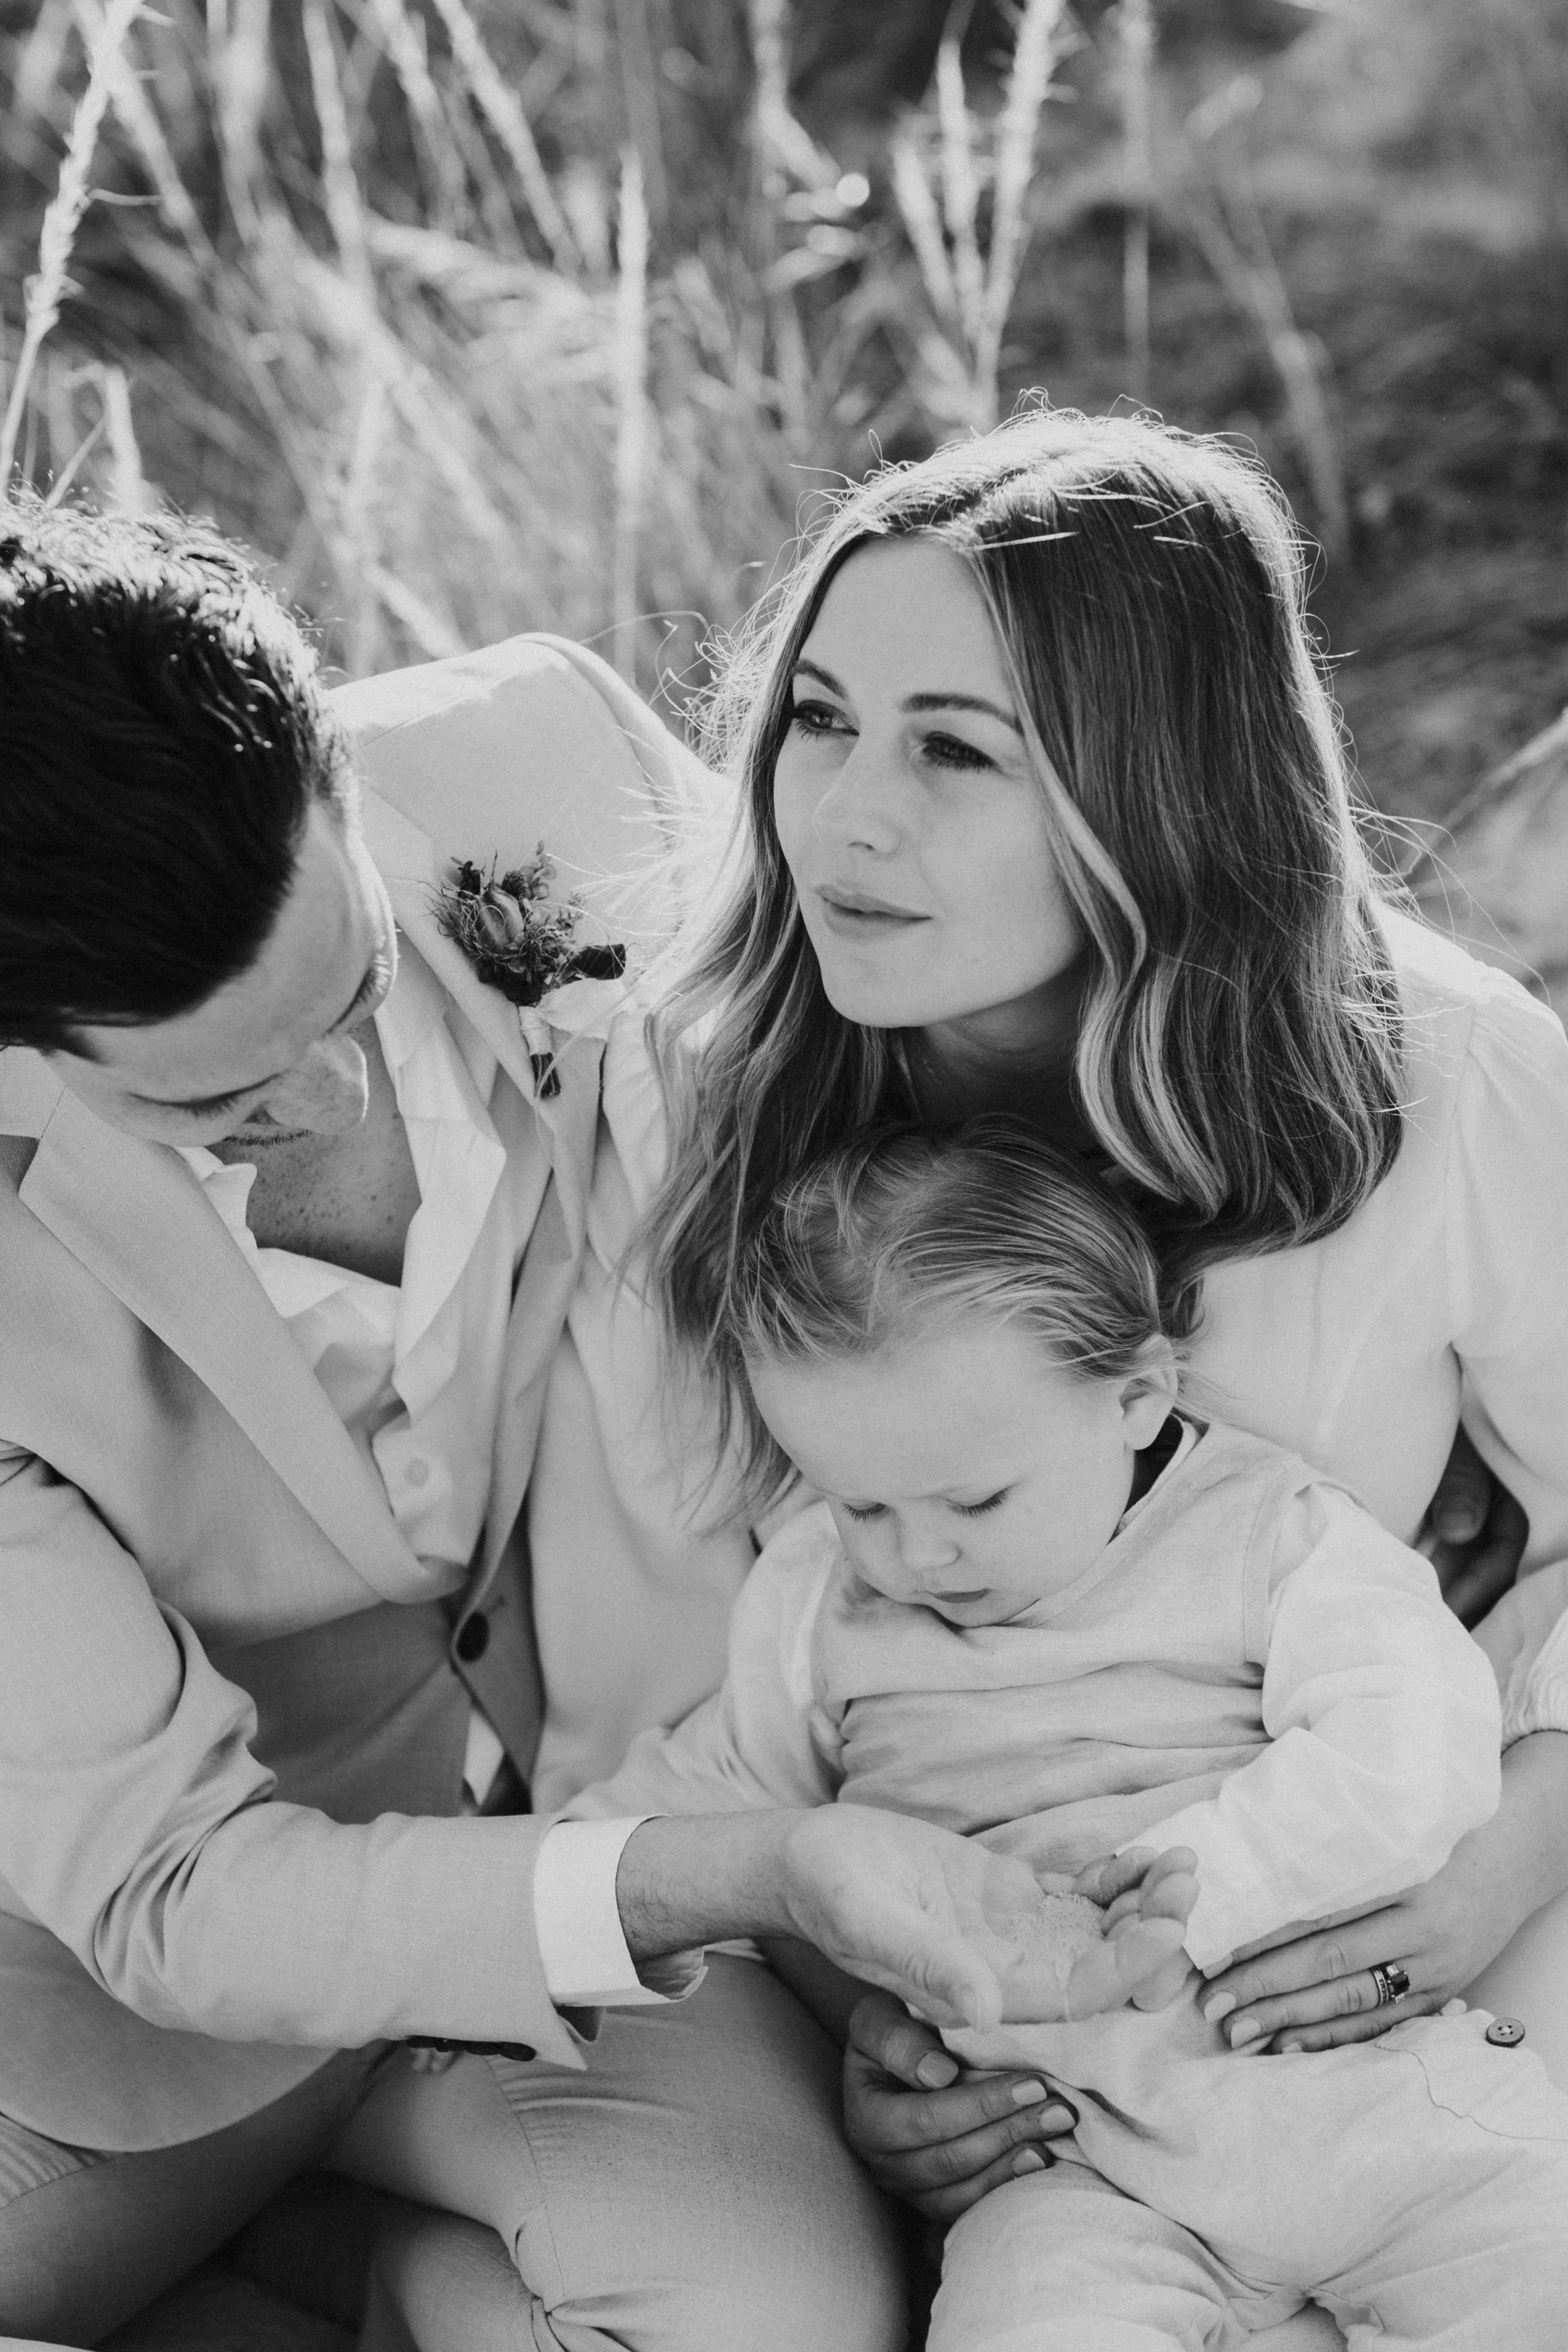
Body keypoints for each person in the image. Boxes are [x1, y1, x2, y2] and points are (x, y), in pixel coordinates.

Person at [0, 498, 1192, 2352]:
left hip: (606, 1862)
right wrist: (773, 1870)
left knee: (780, 2324)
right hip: (123, 2016)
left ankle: (371, 2272)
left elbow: (899, 1125)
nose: (326, 1097)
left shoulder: (531, 747)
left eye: (358, 989)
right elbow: (170, 1891)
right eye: (224, 1099)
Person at [637, 406, 1568, 2249]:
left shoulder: (1450, 1079)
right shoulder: (705, 1090)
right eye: (816, 718)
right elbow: (730, 1694)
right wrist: (868, 2027)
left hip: (1390, 1862)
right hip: (966, 1985)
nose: (844, 817)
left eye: (955, 751)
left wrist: (1505, 1858)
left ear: (1160, 789)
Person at [566, 1119, 1568, 2349]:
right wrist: (536, 1905)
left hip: (1345, 2089)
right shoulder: (815, 1600)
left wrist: (1182, 1893)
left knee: (1533, 2273)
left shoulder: (1267, 1530)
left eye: (974, 1499)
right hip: (1062, 2161)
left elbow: (1410, 1743)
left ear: (1135, 1397)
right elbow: (716, 1803)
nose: (915, 1555)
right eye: (859, 1502)